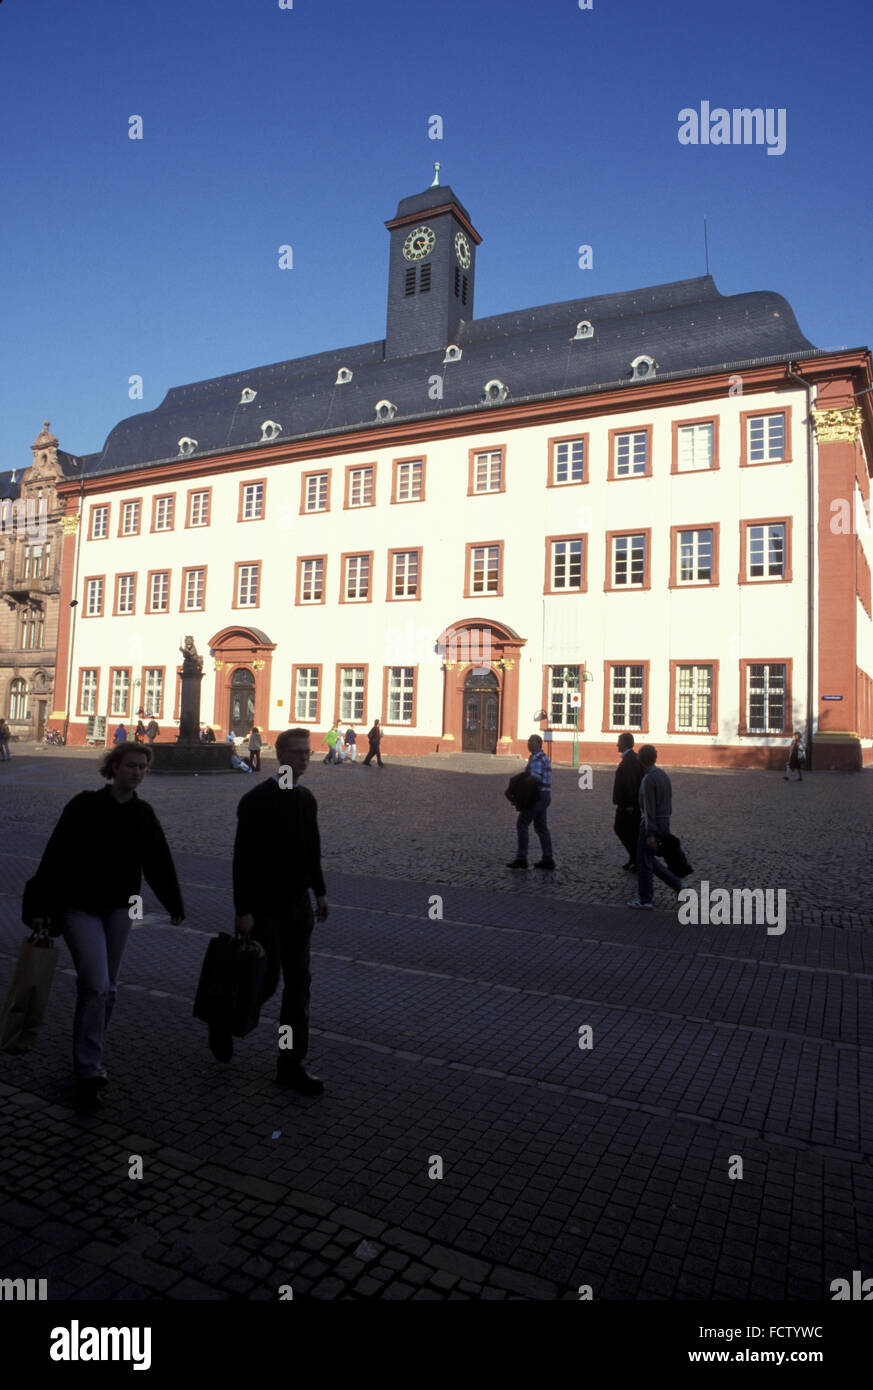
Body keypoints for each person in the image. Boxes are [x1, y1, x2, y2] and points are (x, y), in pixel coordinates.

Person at [27, 743, 185, 1110]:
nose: (138, 772)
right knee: (96, 982)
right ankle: (86, 1068)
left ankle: (90, 1058)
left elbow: (158, 862)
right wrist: (41, 907)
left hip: (121, 908)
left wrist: (174, 903)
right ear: (112, 767)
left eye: (143, 767)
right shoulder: (84, 806)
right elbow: (55, 857)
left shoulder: (143, 814)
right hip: (79, 906)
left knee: (107, 987)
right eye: (131, 765)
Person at [226, 727, 329, 1095]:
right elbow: (243, 860)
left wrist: (319, 892)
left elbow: (311, 849)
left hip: (298, 906)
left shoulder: (306, 799)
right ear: (280, 755)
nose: (303, 758)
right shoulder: (258, 799)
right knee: (265, 982)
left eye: (308, 752)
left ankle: (290, 1062)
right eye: (297, 752)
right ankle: (226, 1021)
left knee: (299, 986)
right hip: (265, 907)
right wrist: (243, 910)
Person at [628, 745, 685, 909]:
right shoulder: (663, 775)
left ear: (640, 759)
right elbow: (669, 803)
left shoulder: (648, 779)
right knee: (647, 859)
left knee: (643, 862)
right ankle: (677, 884)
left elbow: (648, 808)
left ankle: (646, 899)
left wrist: (650, 833)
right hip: (664, 821)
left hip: (650, 825)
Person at [507, 733, 555, 870]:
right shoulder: (540, 757)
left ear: (539, 744)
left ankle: (522, 858)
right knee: (541, 827)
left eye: (532, 742)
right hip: (544, 795)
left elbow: (534, 778)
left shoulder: (537, 759)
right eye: (528, 741)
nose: (529, 744)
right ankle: (548, 858)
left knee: (522, 824)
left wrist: (518, 787)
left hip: (537, 796)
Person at [612, 733, 643, 871]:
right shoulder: (631, 758)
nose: (617, 745)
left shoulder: (629, 760)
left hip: (627, 804)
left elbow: (630, 783)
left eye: (619, 742)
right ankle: (634, 858)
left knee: (621, 828)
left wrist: (630, 804)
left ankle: (637, 858)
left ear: (624, 743)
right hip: (630, 802)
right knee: (631, 831)